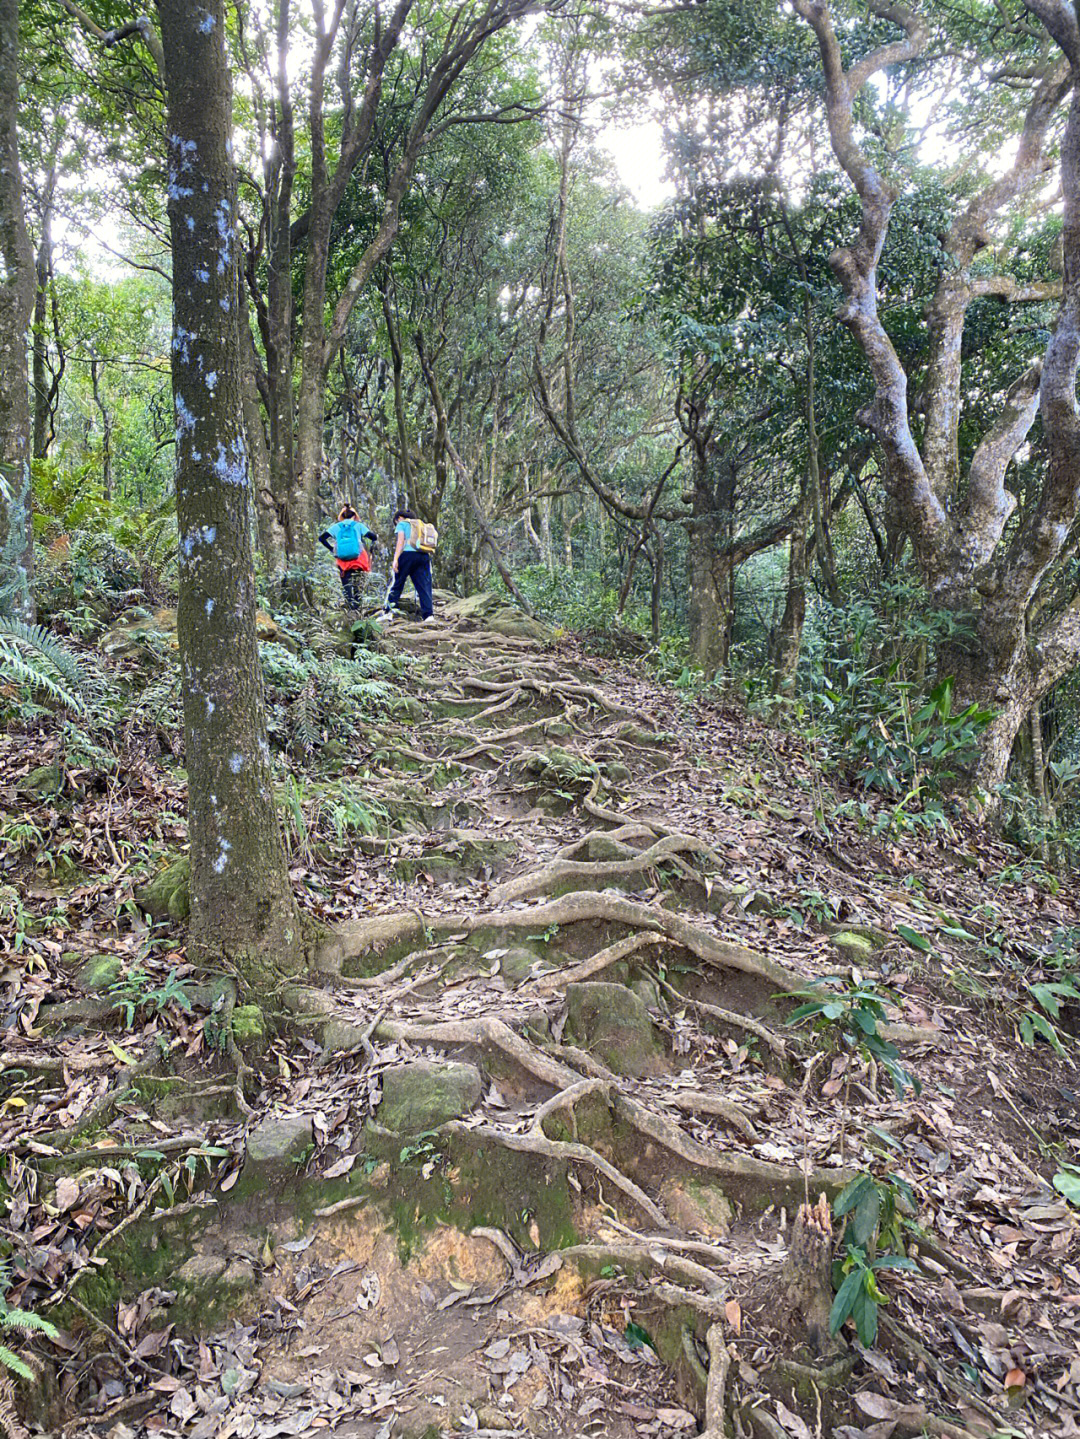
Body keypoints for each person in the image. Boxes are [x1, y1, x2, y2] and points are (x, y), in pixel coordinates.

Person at [376, 507, 435, 623]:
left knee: (398, 583)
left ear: (399, 518)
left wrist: (395, 559)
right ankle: (429, 616)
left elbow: (400, 541)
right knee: (424, 586)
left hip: (407, 554)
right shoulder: (420, 524)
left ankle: (388, 612)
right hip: (423, 555)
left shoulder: (402, 524)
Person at [319, 504, 377, 612]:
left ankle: (350, 608)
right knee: (358, 584)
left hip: (342, 560)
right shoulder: (358, 525)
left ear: (342, 516)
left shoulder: (336, 526)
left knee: (346, 583)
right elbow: (373, 537)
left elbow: (321, 538)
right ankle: (358, 607)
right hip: (359, 559)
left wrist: (332, 549)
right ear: (354, 516)